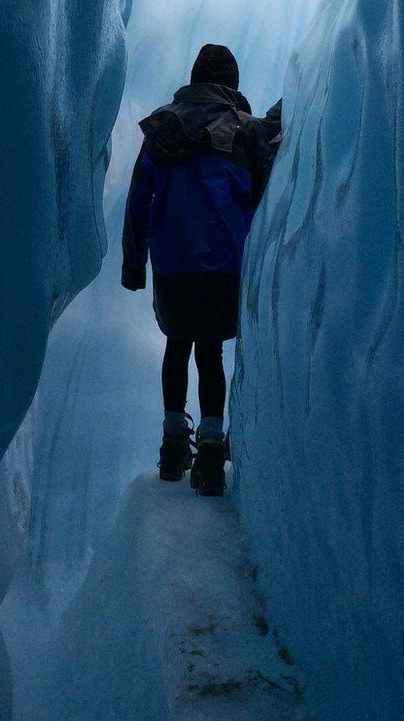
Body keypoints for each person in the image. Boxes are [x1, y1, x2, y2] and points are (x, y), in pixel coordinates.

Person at [122, 44, 272, 496]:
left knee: (176, 344)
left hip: (172, 262)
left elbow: (138, 199)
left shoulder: (162, 126)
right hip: (225, 263)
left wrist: (134, 265)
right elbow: (265, 196)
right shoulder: (246, 131)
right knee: (210, 352)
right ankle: (209, 455)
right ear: (232, 83)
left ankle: (172, 448)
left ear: (194, 77)